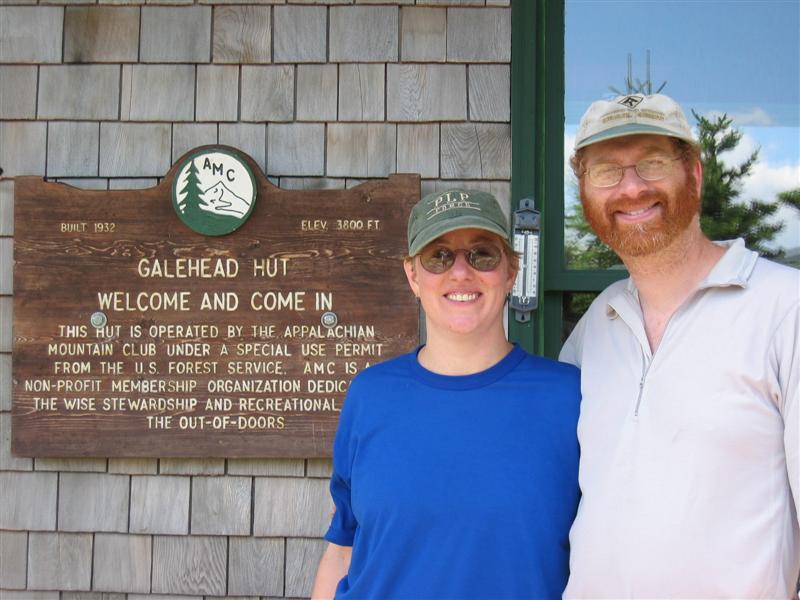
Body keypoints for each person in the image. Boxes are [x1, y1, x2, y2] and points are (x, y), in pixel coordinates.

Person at [560, 93, 799, 598]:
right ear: (584, 191)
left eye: (652, 163)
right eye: (606, 171)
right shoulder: (598, 325)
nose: (631, 188)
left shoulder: (786, 308)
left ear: (694, 172)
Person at [312, 189, 581, 599]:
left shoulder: (568, 398)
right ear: (412, 276)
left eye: (482, 255)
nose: (460, 273)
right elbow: (343, 551)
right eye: (438, 256)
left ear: (511, 272)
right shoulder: (370, 395)